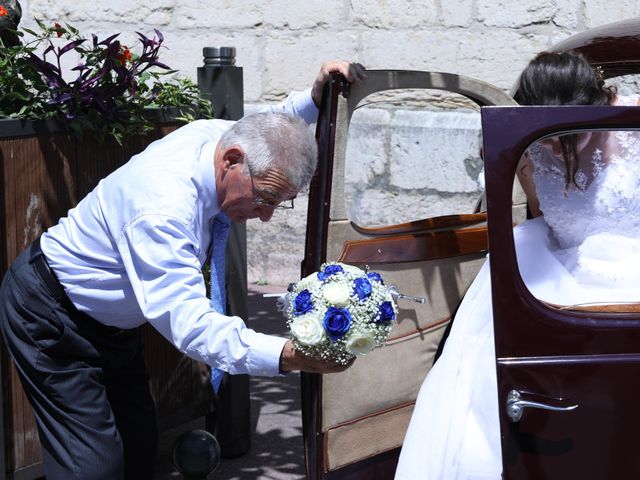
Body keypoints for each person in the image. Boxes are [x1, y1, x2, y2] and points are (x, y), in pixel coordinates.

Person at [0, 60, 366, 480]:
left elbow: (265, 129)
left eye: (279, 204)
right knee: (92, 468)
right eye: (264, 197)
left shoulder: (221, 141)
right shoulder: (161, 210)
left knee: (138, 447)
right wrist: (288, 355)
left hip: (111, 325)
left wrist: (315, 96)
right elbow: (192, 326)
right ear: (231, 161)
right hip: (50, 315)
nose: (265, 216)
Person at [395, 50, 640, 479]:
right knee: (484, 354)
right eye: (546, 135)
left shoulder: (633, 126)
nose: (556, 147)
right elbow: (544, 215)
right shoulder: (532, 151)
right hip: (560, 269)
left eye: (570, 132)